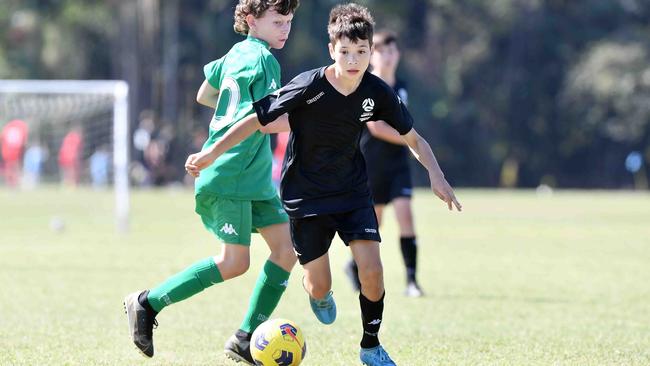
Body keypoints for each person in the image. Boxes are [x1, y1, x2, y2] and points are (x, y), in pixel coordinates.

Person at [185, 3, 461, 365]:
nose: (353, 59)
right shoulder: (309, 85)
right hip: (306, 198)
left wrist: (436, 175)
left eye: (361, 52)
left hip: (352, 194)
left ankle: (371, 347)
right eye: (345, 51)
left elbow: (414, 138)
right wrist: (211, 153)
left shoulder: (376, 92)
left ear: (370, 53)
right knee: (320, 285)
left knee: (373, 270)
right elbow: (255, 120)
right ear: (332, 50)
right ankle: (317, 293)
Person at [123, 1, 299, 364]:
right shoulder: (265, 60)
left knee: (285, 251)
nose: (286, 29)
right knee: (234, 262)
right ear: (252, 21)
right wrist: (317, 122)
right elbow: (265, 119)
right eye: (278, 21)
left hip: (254, 176)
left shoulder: (234, 54)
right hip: (231, 173)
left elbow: (204, 94)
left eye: (289, 22)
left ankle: (245, 338)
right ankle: (147, 303)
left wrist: (230, 117)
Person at [344, 30, 424, 297]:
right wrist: (412, 140)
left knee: (406, 217)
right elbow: (376, 127)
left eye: (391, 51)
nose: (387, 56)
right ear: (371, 56)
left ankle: (412, 282)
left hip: (398, 165)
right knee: (373, 225)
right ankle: (353, 266)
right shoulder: (366, 85)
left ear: (397, 54)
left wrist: (409, 141)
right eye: (380, 51)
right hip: (372, 165)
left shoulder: (402, 85)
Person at [1, 119, 28, 187]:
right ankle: (14, 182)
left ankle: (11, 183)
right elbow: (23, 141)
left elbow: (2, 138)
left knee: (9, 168)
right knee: (15, 167)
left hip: (7, 152)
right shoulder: (20, 128)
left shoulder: (8, 128)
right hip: (15, 152)